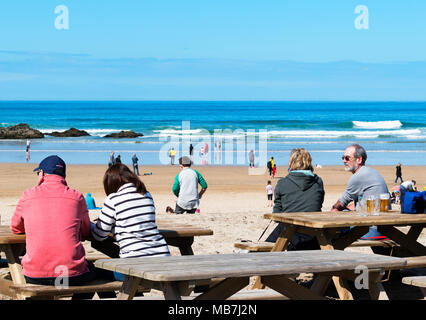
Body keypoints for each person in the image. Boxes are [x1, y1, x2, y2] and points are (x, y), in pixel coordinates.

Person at [10, 155, 102, 286]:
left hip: (34, 274)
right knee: (98, 275)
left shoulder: (28, 195)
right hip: (71, 274)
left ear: (41, 173)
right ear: (63, 176)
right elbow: (86, 230)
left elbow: (15, 228)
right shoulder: (77, 197)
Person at [92, 164, 170, 263]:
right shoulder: (146, 195)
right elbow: (137, 225)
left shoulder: (113, 199)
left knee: (97, 270)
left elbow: (99, 235)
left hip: (135, 260)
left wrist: (99, 225)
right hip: (162, 255)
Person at [264, 149, 324, 250]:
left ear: (291, 163)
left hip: (290, 231)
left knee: (277, 236)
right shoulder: (318, 182)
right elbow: (319, 203)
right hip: (314, 233)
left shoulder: (282, 183)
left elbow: (276, 214)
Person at [331, 144, 390, 242]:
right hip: (386, 228)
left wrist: (334, 208)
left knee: (332, 232)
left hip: (371, 230)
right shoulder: (372, 172)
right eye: (343, 158)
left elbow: (341, 203)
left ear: (359, 160)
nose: (344, 161)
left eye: (347, 158)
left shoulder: (358, 176)